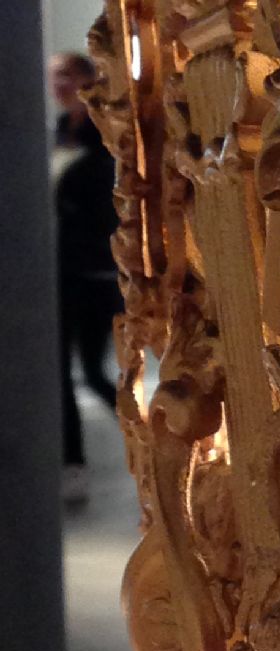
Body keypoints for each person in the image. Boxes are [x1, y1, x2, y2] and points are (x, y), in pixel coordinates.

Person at [50, 51, 121, 510]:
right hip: (61, 271)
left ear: (85, 79)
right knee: (60, 372)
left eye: (65, 75)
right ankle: (72, 464)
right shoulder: (59, 132)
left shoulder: (103, 135)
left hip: (94, 271)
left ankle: (149, 435)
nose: (57, 84)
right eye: (53, 76)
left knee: (94, 372)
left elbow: (104, 205)